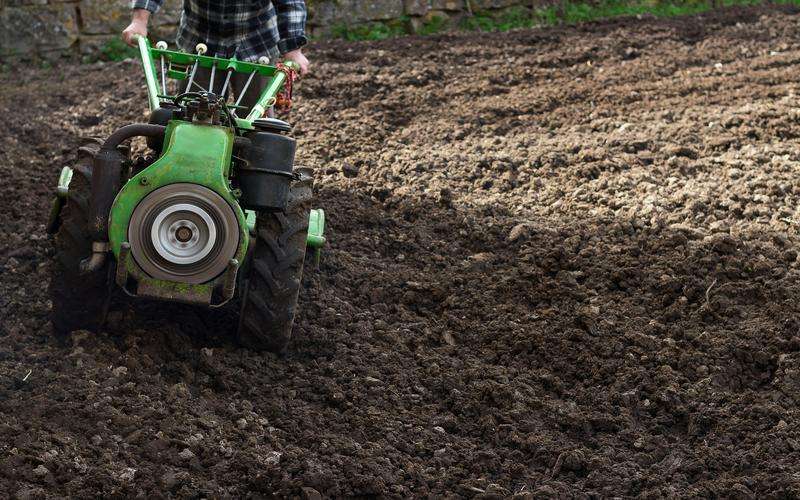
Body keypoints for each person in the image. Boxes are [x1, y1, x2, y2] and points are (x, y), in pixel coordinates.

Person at [122, 0, 309, 109]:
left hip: (255, 42)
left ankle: (250, 167)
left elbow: (290, 3)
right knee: (193, 110)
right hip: (201, 40)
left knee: (255, 117)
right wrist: (139, 20)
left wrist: (293, 49)